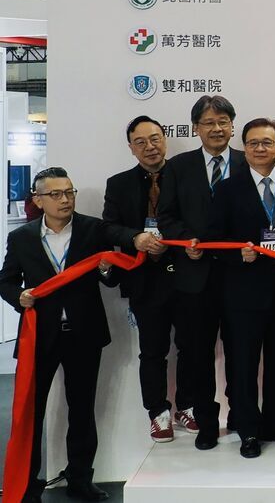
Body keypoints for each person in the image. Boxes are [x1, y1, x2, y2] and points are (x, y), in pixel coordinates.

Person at [0, 167, 160, 501]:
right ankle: (28, 484)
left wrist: (107, 267)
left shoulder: (92, 229)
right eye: (56, 194)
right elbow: (6, 281)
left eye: (69, 192)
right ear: (38, 200)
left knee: (83, 409)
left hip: (83, 334)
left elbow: (111, 277)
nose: (65, 200)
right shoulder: (22, 237)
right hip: (39, 337)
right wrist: (19, 296)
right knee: (31, 411)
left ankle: (80, 479)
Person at [208, 118, 275, 458]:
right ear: (244, 148)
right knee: (243, 363)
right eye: (253, 143)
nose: (260, 149)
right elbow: (213, 239)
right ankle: (248, 430)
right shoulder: (227, 188)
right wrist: (237, 254)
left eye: (267, 142)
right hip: (243, 291)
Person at [157, 95, 245, 449]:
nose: (217, 128)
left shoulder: (248, 162)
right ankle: (207, 423)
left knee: (241, 352)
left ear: (233, 126)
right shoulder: (179, 167)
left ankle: (242, 418)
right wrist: (184, 241)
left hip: (240, 276)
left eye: (223, 121)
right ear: (196, 128)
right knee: (198, 354)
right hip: (194, 277)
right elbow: (166, 216)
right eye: (209, 122)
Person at [102, 116, 192, 443]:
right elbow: (109, 227)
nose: (149, 147)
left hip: (186, 276)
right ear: (131, 148)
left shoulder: (186, 176)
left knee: (191, 346)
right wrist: (135, 238)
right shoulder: (119, 184)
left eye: (155, 139)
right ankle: (158, 412)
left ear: (165, 139)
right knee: (152, 351)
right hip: (145, 279)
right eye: (140, 142)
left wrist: (178, 239)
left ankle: (187, 405)